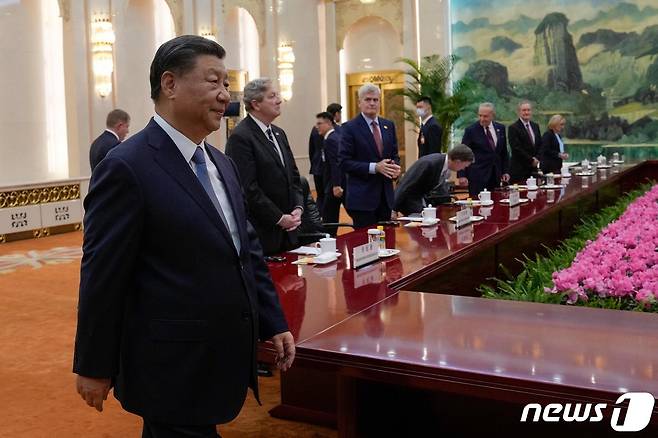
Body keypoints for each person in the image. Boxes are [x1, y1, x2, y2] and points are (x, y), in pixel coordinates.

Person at [73, 35, 295, 438]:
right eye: (214, 83)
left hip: (219, 354)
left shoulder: (222, 164)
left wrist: (271, 321)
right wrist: (93, 364)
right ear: (170, 85)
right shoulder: (127, 166)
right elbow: (102, 277)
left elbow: (245, 253)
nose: (225, 96)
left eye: (227, 85)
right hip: (169, 363)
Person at [226, 78, 304, 255]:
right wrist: (279, 218)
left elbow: (293, 176)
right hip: (263, 233)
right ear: (256, 104)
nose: (279, 100)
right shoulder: (241, 137)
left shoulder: (279, 133)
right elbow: (248, 188)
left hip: (290, 230)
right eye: (272, 96)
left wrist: (298, 209)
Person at [339, 83, 401, 228]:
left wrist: (395, 168)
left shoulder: (388, 125)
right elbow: (344, 162)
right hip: (362, 200)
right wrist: (375, 167)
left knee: (387, 244)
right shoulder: (349, 128)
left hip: (385, 198)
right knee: (366, 246)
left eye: (375, 100)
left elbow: (394, 154)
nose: (372, 103)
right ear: (359, 102)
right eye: (368, 99)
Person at [394, 144, 474, 216]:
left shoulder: (444, 165)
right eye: (464, 166)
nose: (463, 169)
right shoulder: (429, 163)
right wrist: (393, 209)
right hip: (409, 200)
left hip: (422, 199)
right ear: (458, 162)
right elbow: (405, 184)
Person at [458, 102, 509, 196]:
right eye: (480, 115)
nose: (482, 119)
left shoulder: (500, 128)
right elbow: (462, 153)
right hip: (477, 177)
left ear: (492, 115)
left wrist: (505, 171)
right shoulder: (471, 130)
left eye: (485, 116)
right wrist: (462, 175)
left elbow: (503, 152)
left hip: (495, 176)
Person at [315, 111, 343, 234]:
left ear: (328, 123)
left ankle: (330, 242)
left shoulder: (331, 139)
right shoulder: (331, 138)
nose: (317, 126)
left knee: (329, 216)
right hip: (332, 183)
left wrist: (336, 185)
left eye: (319, 123)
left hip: (333, 185)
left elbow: (335, 164)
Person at [508, 100, 541, 183]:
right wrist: (531, 160)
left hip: (533, 170)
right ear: (519, 112)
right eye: (524, 110)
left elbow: (540, 145)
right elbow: (516, 148)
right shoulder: (513, 128)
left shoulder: (535, 126)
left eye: (528, 110)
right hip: (519, 170)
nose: (526, 112)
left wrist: (537, 158)